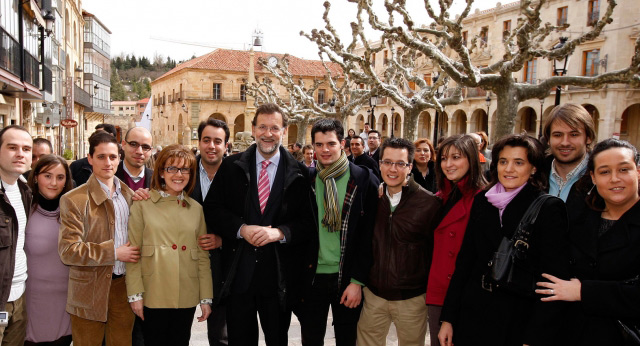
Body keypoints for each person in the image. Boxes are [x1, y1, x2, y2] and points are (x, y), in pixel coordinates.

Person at [439, 134, 569, 346]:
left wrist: (535, 337)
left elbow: (552, 281)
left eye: (519, 162)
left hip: (517, 320)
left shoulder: (547, 208)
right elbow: (465, 261)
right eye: (503, 161)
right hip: (473, 313)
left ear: (533, 168)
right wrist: (448, 318)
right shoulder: (483, 200)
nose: (509, 169)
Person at [204, 103, 314, 345]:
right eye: (262, 127)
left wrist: (280, 232)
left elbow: (308, 223)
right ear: (253, 129)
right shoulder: (231, 168)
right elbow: (212, 209)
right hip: (238, 276)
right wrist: (241, 229)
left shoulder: (300, 174)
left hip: (278, 279)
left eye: (274, 127)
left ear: (284, 130)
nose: (268, 133)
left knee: (277, 340)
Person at [535, 139, 640, 346]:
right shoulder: (579, 217)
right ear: (593, 177)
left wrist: (584, 291)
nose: (615, 179)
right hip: (570, 333)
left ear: (638, 172)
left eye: (624, 169)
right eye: (604, 172)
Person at [297, 118, 378, 346]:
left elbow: (369, 235)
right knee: (310, 339)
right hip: (314, 277)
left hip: (347, 278)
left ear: (342, 144)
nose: (325, 150)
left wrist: (357, 281)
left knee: (347, 339)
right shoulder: (307, 180)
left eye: (331, 144)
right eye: (319, 144)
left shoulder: (362, 179)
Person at [356, 138, 440, 346]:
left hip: (411, 299)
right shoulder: (372, 200)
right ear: (380, 164)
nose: (392, 169)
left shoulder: (429, 204)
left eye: (400, 163)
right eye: (387, 162)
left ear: (410, 166)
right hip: (374, 295)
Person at [126, 145, 213, 346]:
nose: (178, 174)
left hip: (186, 293)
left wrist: (206, 297)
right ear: (161, 173)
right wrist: (135, 294)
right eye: (172, 168)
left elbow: (201, 256)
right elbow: (133, 254)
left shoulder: (196, 209)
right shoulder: (142, 205)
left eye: (185, 170)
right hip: (152, 292)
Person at [59, 131, 139, 346]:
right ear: (90, 159)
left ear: (119, 159)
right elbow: (68, 251)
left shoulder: (130, 196)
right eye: (101, 156)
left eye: (113, 157)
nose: (108, 162)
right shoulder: (73, 200)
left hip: (123, 289)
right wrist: (113, 252)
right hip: (88, 291)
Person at [425, 135, 486, 346]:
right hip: (437, 292)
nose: (448, 164)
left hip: (464, 296)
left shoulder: (484, 199)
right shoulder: (441, 196)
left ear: (471, 159)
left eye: (456, 157)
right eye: (443, 158)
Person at [24, 155, 74, 346]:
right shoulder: (24, 209)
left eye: (60, 177)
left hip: (65, 302)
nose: (54, 183)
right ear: (36, 177)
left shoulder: (74, 212)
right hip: (32, 300)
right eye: (47, 176)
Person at [193, 118, 229, 346]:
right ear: (199, 142)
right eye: (207, 140)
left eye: (218, 141)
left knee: (221, 335)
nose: (212, 146)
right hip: (183, 264)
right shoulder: (181, 173)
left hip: (222, 267)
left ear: (226, 145)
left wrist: (223, 240)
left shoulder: (238, 175)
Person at [116, 127, 153, 346]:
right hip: (116, 272)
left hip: (148, 273)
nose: (139, 151)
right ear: (123, 145)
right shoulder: (108, 176)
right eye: (133, 144)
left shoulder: (158, 181)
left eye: (145, 147)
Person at [0, 125, 33, 345]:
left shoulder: (25, 192)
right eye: (12, 147)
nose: (20, 153)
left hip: (19, 299)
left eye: (26, 149)